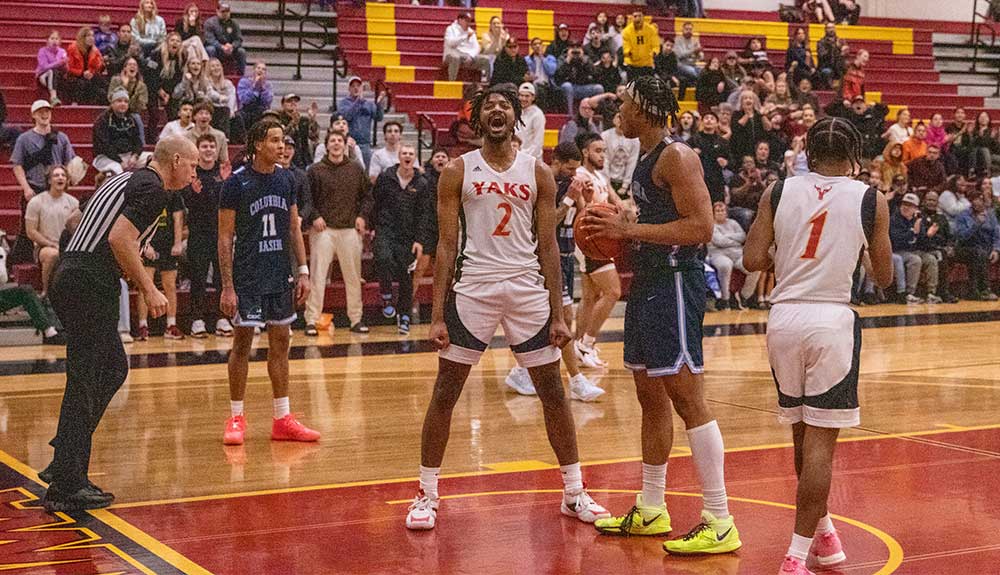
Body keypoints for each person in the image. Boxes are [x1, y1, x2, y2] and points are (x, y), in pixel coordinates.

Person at [404, 85, 610, 532]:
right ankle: (426, 493)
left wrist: (559, 313)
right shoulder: (457, 170)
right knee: (446, 391)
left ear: (516, 118)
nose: (497, 111)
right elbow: (445, 244)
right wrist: (437, 313)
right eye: (488, 107)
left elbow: (549, 246)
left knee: (554, 391)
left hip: (526, 289)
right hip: (474, 287)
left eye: (505, 106)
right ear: (477, 120)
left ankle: (574, 492)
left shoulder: (538, 173)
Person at [579, 75, 740, 555]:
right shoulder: (646, 158)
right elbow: (652, 219)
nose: (618, 113)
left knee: (688, 398)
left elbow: (701, 226)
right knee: (650, 397)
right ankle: (651, 507)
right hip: (649, 283)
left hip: (675, 282)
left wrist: (628, 230)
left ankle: (719, 517)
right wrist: (617, 219)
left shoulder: (677, 156)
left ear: (645, 110)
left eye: (624, 105)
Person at [743, 117, 893, 575]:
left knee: (801, 433)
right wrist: (860, 251)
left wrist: (785, 252)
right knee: (822, 445)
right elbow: (884, 278)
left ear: (807, 150)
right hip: (831, 319)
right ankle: (794, 557)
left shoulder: (779, 190)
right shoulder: (871, 198)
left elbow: (750, 259)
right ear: (854, 156)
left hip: (784, 318)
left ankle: (823, 532)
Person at [39, 136, 198, 511]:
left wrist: (135, 248)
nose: (194, 173)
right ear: (175, 160)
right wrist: (150, 288)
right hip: (89, 282)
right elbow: (118, 237)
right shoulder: (154, 189)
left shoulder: (124, 177)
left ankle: (65, 457)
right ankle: (66, 484)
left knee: (111, 369)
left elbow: (83, 222)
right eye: (191, 165)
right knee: (87, 378)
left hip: (70, 272)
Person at [218, 119, 318, 446]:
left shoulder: (287, 179)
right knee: (242, 344)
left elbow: (293, 227)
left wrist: (303, 270)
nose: (281, 146)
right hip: (248, 276)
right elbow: (224, 237)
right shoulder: (235, 184)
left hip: (278, 274)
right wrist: (228, 286)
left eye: (283, 141)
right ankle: (235, 416)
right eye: (275, 140)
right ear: (258, 144)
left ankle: (282, 418)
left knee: (281, 343)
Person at [504, 141, 604, 400]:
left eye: (576, 169)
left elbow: (584, 216)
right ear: (556, 162)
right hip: (547, 258)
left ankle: (523, 370)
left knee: (553, 320)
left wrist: (587, 198)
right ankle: (575, 380)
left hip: (567, 256)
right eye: (569, 168)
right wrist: (571, 196)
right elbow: (548, 224)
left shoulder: (571, 184)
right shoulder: (544, 184)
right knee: (561, 318)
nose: (574, 174)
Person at [303, 130, 372, 335]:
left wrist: (362, 216)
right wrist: (314, 216)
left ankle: (356, 319)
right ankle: (311, 319)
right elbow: (307, 199)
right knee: (317, 276)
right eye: (332, 141)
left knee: (353, 277)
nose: (336, 144)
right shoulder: (315, 170)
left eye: (339, 141)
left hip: (349, 229)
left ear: (345, 145)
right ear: (326, 146)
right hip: (323, 230)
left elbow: (368, 197)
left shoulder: (356, 169)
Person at [572, 133, 622, 370]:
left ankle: (578, 347)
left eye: (604, 150)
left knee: (590, 297)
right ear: (585, 152)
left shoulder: (599, 176)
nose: (603, 155)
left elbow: (616, 203)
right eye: (598, 150)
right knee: (613, 291)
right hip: (591, 239)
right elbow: (585, 211)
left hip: (597, 238)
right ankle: (587, 344)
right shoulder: (581, 176)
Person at [371, 144, 432, 335]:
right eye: (404, 153)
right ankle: (387, 296)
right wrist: (373, 227)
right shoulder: (386, 177)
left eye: (411, 154)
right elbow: (375, 202)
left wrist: (419, 240)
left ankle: (404, 316)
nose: (407, 156)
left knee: (406, 276)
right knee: (383, 258)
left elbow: (424, 214)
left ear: (415, 158)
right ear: (399, 157)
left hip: (408, 235)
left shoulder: (422, 183)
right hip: (385, 229)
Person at [183, 133, 231, 338]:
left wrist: (227, 183)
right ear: (198, 149)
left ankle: (222, 318)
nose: (209, 149)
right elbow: (185, 204)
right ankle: (197, 319)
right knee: (198, 278)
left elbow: (231, 202)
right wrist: (193, 192)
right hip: (198, 233)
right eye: (205, 146)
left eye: (212, 146)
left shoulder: (224, 173)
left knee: (222, 277)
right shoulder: (192, 173)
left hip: (221, 234)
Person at [135, 182, 185, 340]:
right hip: (149, 243)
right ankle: (143, 326)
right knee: (145, 284)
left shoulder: (173, 192)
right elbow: (137, 218)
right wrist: (143, 243)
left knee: (170, 285)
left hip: (167, 243)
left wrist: (177, 243)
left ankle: (171, 325)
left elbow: (178, 218)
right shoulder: (146, 190)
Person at [25, 166, 79, 299]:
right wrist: (51, 244)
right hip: (44, 247)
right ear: (49, 181)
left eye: (63, 175)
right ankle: (46, 293)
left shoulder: (73, 202)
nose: (60, 178)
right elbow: (31, 231)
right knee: (53, 254)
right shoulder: (36, 202)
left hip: (68, 246)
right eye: (56, 175)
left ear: (67, 180)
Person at [708, 201, 760, 310]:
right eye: (717, 211)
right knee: (725, 265)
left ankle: (744, 296)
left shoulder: (733, 223)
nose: (720, 213)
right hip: (718, 254)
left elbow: (743, 236)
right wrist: (734, 239)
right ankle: (725, 299)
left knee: (754, 267)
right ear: (713, 213)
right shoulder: (711, 225)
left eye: (722, 210)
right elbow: (719, 241)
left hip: (737, 254)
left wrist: (727, 238)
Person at [890, 193, 941, 304]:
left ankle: (931, 293)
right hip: (898, 251)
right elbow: (895, 240)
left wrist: (928, 235)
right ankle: (909, 293)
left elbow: (922, 243)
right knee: (915, 260)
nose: (906, 207)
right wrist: (912, 232)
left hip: (914, 250)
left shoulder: (917, 220)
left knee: (931, 259)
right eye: (904, 204)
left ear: (916, 208)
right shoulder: (894, 219)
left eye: (910, 205)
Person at [954, 192, 1000, 301]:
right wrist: (976, 224)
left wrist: (996, 250)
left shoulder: (990, 215)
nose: (978, 205)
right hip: (966, 248)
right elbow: (961, 237)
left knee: (981, 252)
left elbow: (997, 234)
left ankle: (979, 290)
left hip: (987, 248)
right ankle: (983, 289)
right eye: (975, 203)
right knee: (978, 253)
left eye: (981, 202)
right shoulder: (963, 216)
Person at [92, 89, 150, 176]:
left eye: (126, 102)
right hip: (107, 157)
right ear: (112, 104)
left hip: (129, 155)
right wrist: (120, 161)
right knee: (116, 169)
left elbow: (138, 141)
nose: (123, 104)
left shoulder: (132, 119)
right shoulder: (102, 121)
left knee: (154, 160)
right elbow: (105, 146)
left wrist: (135, 156)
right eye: (119, 101)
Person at [917, 191, 958, 303]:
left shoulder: (941, 218)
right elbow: (920, 238)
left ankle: (947, 289)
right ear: (924, 201)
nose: (931, 202)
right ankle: (943, 292)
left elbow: (949, 236)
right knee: (941, 255)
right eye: (928, 200)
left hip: (942, 247)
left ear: (937, 203)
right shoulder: (920, 216)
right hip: (926, 248)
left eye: (933, 200)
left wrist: (950, 246)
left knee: (951, 253)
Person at [339, 76, 387, 168]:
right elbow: (347, 116)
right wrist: (358, 102)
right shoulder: (344, 103)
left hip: (365, 144)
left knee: (366, 170)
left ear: (362, 88)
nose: (356, 88)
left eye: (358, 86)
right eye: (353, 86)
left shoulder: (368, 104)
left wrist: (380, 104)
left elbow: (378, 117)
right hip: (349, 143)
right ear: (349, 89)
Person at [555, 43, 605, 119]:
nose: (575, 50)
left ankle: (596, 115)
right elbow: (558, 76)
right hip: (570, 87)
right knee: (567, 86)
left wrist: (584, 62)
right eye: (572, 47)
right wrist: (567, 61)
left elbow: (595, 74)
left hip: (584, 87)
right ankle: (570, 115)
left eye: (577, 47)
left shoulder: (586, 59)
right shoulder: (563, 58)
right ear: (568, 49)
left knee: (599, 88)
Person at [689, 112, 730, 203]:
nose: (709, 120)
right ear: (702, 122)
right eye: (706, 118)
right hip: (698, 178)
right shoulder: (693, 140)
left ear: (717, 123)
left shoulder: (723, 142)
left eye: (712, 118)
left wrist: (726, 162)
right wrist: (692, 153)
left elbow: (732, 161)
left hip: (716, 180)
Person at [601, 110, 640, 194]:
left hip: (624, 182)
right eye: (618, 117)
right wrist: (606, 183)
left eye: (622, 118)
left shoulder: (634, 139)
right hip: (607, 180)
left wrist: (625, 185)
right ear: (613, 120)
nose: (620, 120)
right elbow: (605, 160)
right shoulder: (605, 136)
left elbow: (632, 162)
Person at [65, 27, 107, 105]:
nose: (91, 38)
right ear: (82, 37)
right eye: (88, 36)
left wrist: (91, 72)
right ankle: (75, 104)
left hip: (88, 76)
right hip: (75, 76)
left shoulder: (95, 50)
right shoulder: (72, 48)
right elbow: (69, 68)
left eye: (92, 36)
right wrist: (82, 73)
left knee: (100, 82)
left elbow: (98, 66)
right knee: (81, 83)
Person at [442, 12, 488, 82]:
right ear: (460, 20)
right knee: (455, 58)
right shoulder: (451, 29)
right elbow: (451, 43)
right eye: (466, 21)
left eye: (469, 21)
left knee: (485, 60)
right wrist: (465, 37)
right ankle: (451, 82)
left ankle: (485, 82)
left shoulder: (471, 31)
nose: (468, 23)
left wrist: (471, 56)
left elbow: (476, 47)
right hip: (452, 54)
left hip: (467, 57)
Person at [204, 2, 246, 75]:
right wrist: (221, 47)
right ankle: (210, 74)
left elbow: (239, 39)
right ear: (217, 11)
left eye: (227, 11)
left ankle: (240, 76)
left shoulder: (234, 23)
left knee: (241, 51)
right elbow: (210, 39)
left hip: (230, 49)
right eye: (223, 11)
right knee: (210, 49)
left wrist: (232, 46)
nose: (225, 14)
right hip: (217, 49)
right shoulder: (210, 23)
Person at [186, 99, 229, 166]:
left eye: (207, 113)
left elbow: (224, 161)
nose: (204, 116)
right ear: (194, 117)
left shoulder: (220, 136)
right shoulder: (185, 136)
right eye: (201, 113)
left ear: (211, 117)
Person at [236, 61, 273, 135]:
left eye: (263, 69)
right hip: (246, 110)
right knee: (239, 117)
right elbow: (244, 99)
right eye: (258, 68)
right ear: (253, 70)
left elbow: (268, 101)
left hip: (261, 110)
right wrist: (253, 87)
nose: (260, 70)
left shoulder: (268, 85)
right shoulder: (244, 82)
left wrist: (262, 88)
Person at [621, 10, 660, 80]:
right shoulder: (626, 31)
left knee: (647, 88)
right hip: (632, 64)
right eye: (635, 16)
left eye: (640, 16)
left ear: (643, 17)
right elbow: (626, 48)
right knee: (631, 88)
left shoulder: (651, 30)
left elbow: (656, 45)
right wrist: (631, 54)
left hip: (647, 64)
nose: (638, 18)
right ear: (632, 18)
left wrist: (653, 53)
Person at [36, 30, 68, 106]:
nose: (54, 41)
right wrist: (58, 63)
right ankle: (53, 97)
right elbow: (44, 66)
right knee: (51, 71)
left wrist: (65, 63)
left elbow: (65, 67)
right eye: (52, 38)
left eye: (56, 39)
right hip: (43, 74)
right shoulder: (42, 51)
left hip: (58, 75)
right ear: (47, 40)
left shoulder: (62, 51)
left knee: (56, 72)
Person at [514, 82, 545, 160]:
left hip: (532, 159)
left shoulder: (538, 114)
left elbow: (538, 143)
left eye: (527, 96)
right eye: (521, 95)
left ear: (533, 97)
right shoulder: (515, 112)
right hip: (515, 157)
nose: (523, 99)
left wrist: (523, 156)